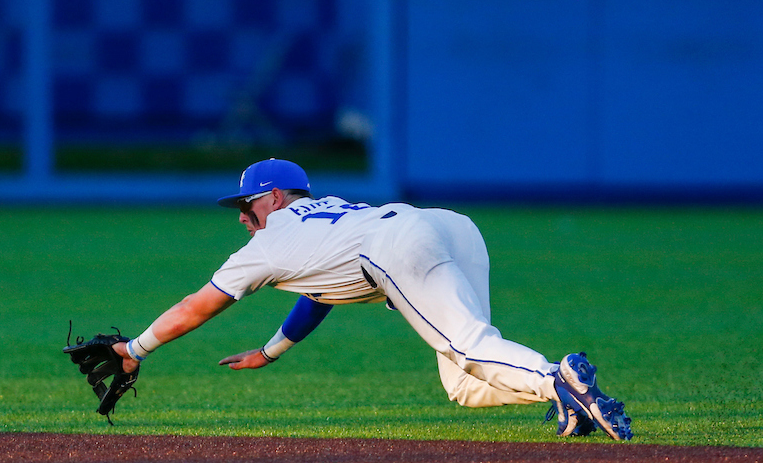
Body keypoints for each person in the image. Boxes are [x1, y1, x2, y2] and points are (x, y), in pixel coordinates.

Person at [112, 158, 632, 441]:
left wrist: (135, 349)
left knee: (471, 347)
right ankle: (563, 397)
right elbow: (320, 293)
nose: (242, 217)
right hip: (444, 225)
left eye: (247, 204)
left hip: (398, 243)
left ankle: (558, 379)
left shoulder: (268, 244)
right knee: (465, 382)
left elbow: (194, 306)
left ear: (273, 198)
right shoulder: (324, 214)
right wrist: (271, 351)